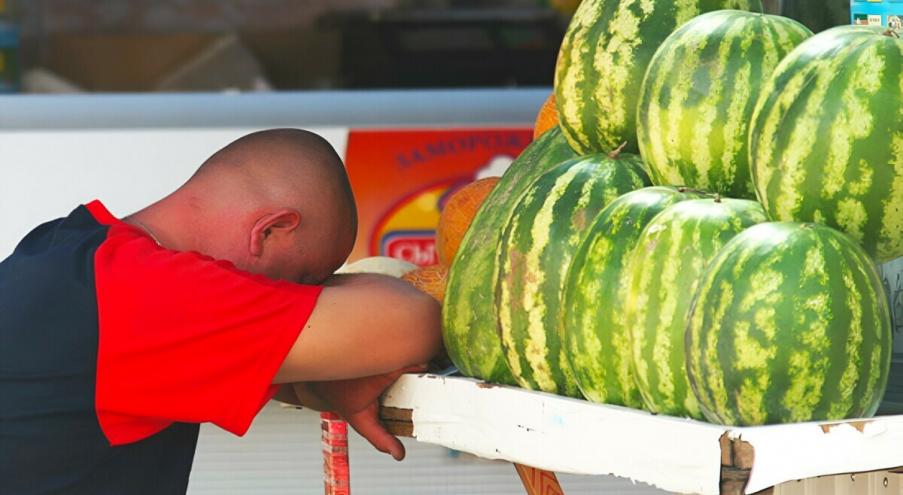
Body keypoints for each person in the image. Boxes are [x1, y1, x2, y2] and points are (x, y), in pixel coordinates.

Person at [0, 128, 443, 494]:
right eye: (310, 280)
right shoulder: (150, 292)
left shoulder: (68, 247)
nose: (300, 297)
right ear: (271, 229)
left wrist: (327, 381)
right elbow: (411, 320)